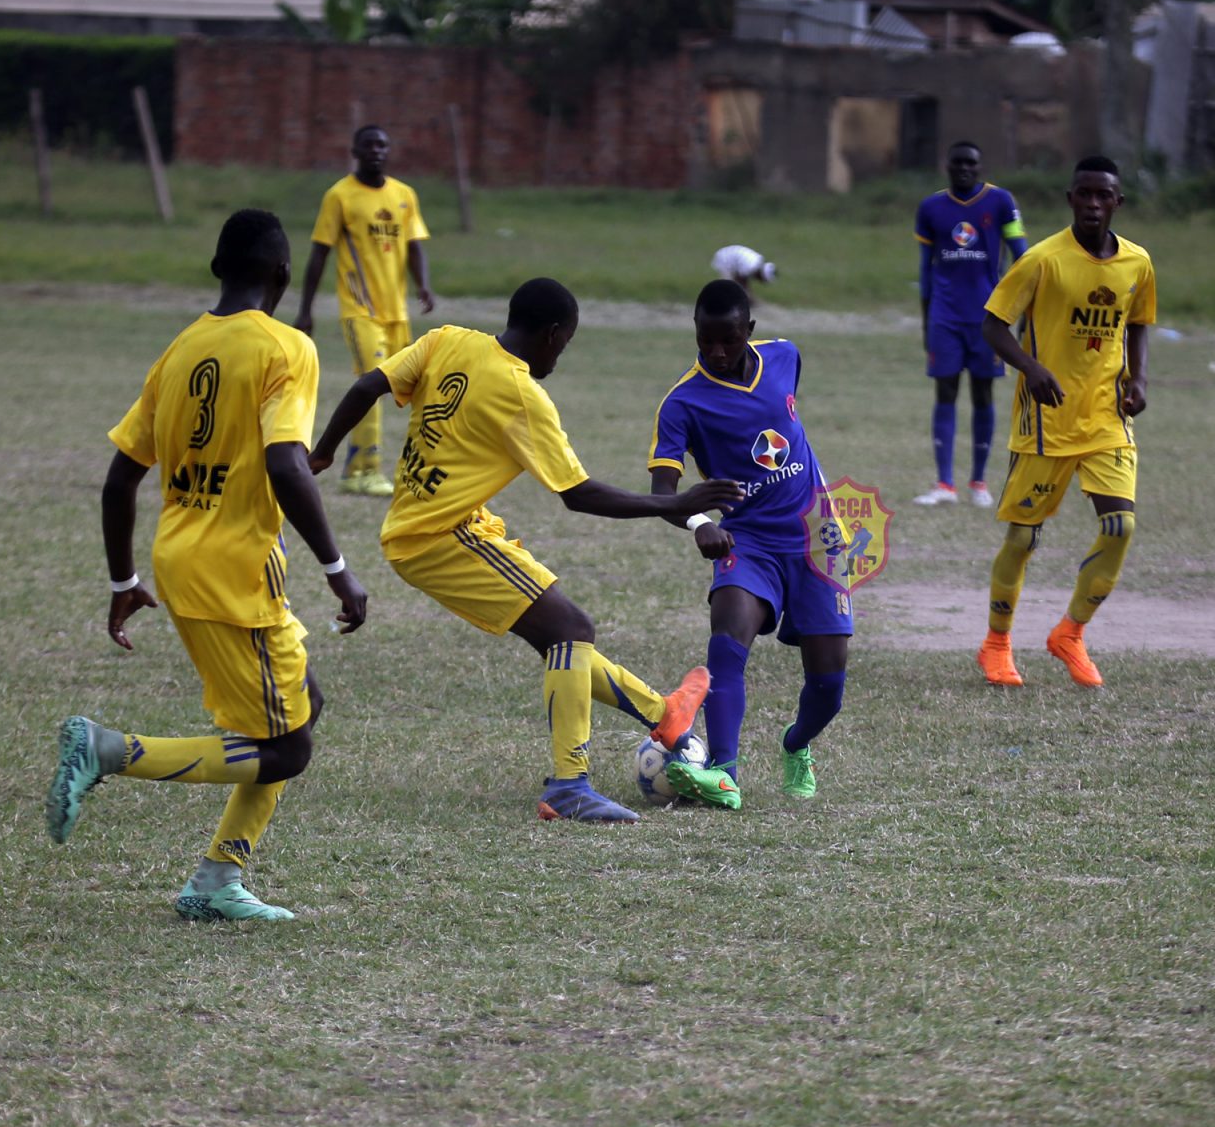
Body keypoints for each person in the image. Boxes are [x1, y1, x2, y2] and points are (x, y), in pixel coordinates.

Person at [308, 278, 742, 823]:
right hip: (440, 537)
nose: (560, 355)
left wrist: (323, 454)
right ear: (553, 334)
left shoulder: (447, 339)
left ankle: (666, 714)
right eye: (565, 344)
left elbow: (366, 386)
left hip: (436, 527)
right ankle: (569, 785)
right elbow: (578, 495)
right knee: (572, 629)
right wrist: (674, 503)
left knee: (560, 642)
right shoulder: (522, 394)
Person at [45, 209, 369, 923]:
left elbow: (119, 479)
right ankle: (109, 750)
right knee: (286, 752)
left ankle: (218, 880)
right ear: (283, 277)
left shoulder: (180, 350)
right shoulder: (287, 347)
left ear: (217, 272)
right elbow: (288, 461)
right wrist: (337, 566)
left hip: (176, 562)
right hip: (237, 571)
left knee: (301, 705)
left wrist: (123, 582)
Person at [649, 279, 851, 810]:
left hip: (815, 538)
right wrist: (699, 524)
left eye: (729, 340)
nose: (716, 352)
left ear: (750, 332)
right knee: (728, 637)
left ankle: (796, 744)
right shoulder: (681, 403)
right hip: (748, 542)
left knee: (829, 687)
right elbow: (662, 493)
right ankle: (724, 773)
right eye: (705, 339)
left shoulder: (785, 357)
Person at [973, 156, 1154, 690]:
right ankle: (997, 643)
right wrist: (1030, 368)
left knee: (1120, 526)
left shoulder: (1138, 263)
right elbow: (993, 324)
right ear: (1071, 198)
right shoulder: (1041, 260)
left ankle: (1070, 634)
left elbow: (1139, 322)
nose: (1094, 204)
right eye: (1084, 194)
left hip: (1106, 416)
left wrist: (1139, 380)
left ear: (1117, 202)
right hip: (1045, 422)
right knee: (1024, 541)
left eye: (1104, 196)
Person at [292, 124, 435, 496]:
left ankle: (413, 467)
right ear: (355, 150)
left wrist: (423, 285)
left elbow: (416, 245)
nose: (376, 150)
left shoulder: (404, 194)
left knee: (414, 389)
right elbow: (319, 253)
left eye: (382, 145)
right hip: (360, 311)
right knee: (371, 384)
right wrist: (305, 310)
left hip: (397, 313)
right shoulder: (340, 196)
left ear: (390, 151)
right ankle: (361, 470)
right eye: (369, 144)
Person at [912, 140, 1029, 508]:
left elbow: (1021, 256)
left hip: (987, 320)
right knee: (945, 393)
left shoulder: (1002, 203)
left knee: (983, 394)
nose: (964, 168)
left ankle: (979, 482)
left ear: (980, 167)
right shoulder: (931, 208)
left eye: (971, 163)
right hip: (945, 318)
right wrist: (926, 319)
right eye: (958, 162)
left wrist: (1014, 306)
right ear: (947, 166)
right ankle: (944, 484)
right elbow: (925, 269)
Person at [710, 244, 777, 290]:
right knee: (727, 286)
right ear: (761, 275)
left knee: (733, 287)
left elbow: (744, 281)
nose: (759, 281)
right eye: (762, 280)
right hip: (725, 259)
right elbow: (740, 280)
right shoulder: (751, 267)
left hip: (731, 260)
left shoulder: (757, 262)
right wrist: (747, 296)